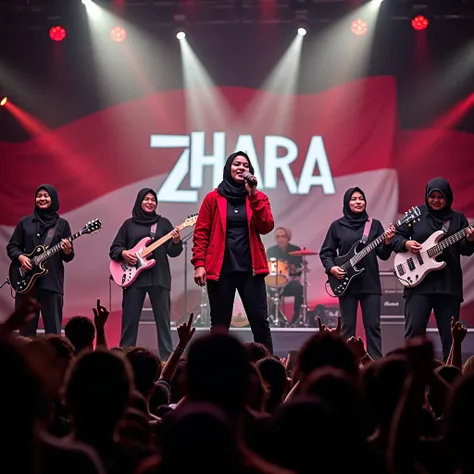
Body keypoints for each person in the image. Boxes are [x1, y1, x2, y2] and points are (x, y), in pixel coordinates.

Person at [191, 151, 274, 353]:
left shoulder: (259, 197)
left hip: (250, 270)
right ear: (229, 168)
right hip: (221, 271)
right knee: (219, 326)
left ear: (250, 171)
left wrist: (253, 195)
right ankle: (218, 374)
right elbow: (201, 232)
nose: (241, 168)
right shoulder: (212, 198)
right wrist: (199, 263)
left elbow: (266, 226)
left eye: (245, 165)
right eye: (237, 164)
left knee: (260, 323)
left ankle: (268, 369)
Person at [392, 178, 474, 360]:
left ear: (448, 198)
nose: (436, 200)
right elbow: (396, 239)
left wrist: (470, 239)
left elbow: (465, 250)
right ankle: (412, 378)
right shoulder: (416, 214)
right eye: (432, 196)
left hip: (447, 286)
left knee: (450, 338)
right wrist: (406, 243)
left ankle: (450, 379)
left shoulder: (458, 219)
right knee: (414, 333)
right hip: (419, 286)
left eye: (440, 197)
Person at [319, 187, 395, 359]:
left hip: (370, 284)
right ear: (347, 203)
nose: (358, 202)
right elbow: (326, 252)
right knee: (348, 327)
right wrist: (332, 268)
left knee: (373, 326)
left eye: (361, 198)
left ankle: (375, 363)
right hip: (346, 283)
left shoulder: (374, 225)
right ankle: (347, 363)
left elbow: (383, 254)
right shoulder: (337, 226)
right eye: (353, 199)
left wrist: (388, 241)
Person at [109, 188, 182, 360]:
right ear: (139, 201)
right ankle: (124, 358)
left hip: (159, 279)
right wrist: (124, 253)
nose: (150, 202)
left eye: (153, 200)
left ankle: (166, 360)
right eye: (146, 199)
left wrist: (177, 241)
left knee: (163, 322)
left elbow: (173, 252)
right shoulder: (128, 225)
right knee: (130, 322)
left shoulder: (163, 224)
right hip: (134, 280)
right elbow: (114, 249)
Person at [6, 184, 74, 336]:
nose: (42, 199)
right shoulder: (25, 222)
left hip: (52, 284)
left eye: (46, 196)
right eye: (39, 196)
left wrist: (67, 250)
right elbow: (12, 247)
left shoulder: (62, 225)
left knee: (53, 332)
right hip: (26, 285)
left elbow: (68, 256)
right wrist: (21, 257)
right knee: (25, 333)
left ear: (53, 199)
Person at [266, 227, 304, 325]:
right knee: (265, 289)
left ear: (288, 237)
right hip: (274, 283)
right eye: (278, 237)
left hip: (289, 282)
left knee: (299, 288)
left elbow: (300, 271)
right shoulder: (271, 251)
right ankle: (273, 317)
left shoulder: (296, 250)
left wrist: (293, 269)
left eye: (283, 236)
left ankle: (296, 318)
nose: (281, 239)